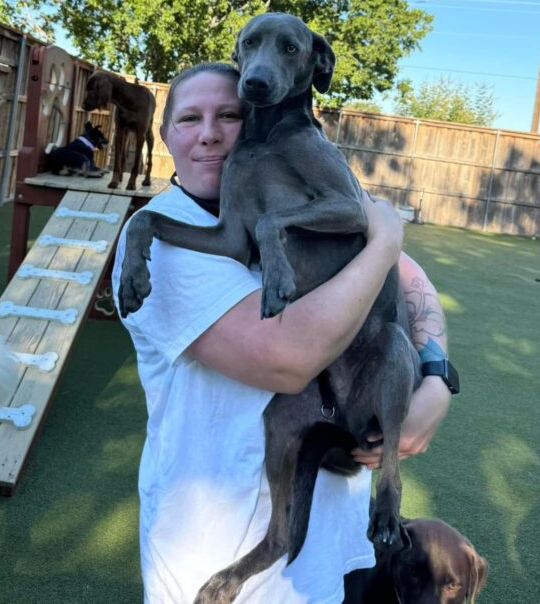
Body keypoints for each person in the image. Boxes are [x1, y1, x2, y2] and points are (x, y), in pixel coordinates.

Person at [112, 62, 452, 604]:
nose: (209, 133)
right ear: (166, 134)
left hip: (334, 543)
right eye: (190, 119)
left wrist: (435, 379)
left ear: (255, 120)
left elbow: (410, 277)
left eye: (229, 115)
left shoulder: (285, 193)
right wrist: (384, 241)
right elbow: (288, 359)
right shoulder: (163, 242)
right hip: (219, 551)